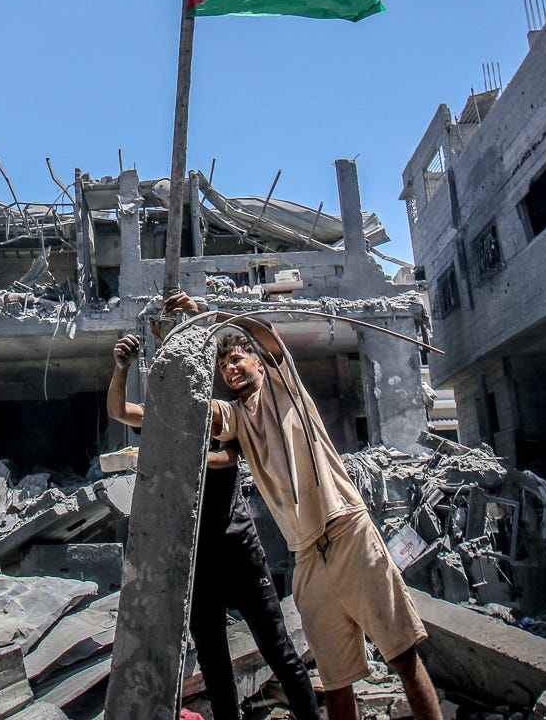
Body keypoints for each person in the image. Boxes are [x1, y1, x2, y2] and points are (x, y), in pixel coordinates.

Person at [179, 294, 441, 720]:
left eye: (237, 359)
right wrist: (184, 333)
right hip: (306, 554)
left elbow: (267, 335)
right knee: (337, 682)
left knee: (402, 657)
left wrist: (215, 313)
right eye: (223, 366)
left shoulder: (286, 389)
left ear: (258, 364)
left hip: (345, 530)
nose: (230, 369)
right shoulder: (236, 418)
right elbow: (193, 411)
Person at [107, 326, 322, 720]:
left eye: (230, 362)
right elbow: (120, 411)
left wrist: (182, 458)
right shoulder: (167, 422)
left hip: (238, 548)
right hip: (195, 560)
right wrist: (121, 368)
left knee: (279, 651)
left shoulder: (220, 415)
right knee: (214, 665)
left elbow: (228, 458)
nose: (227, 369)